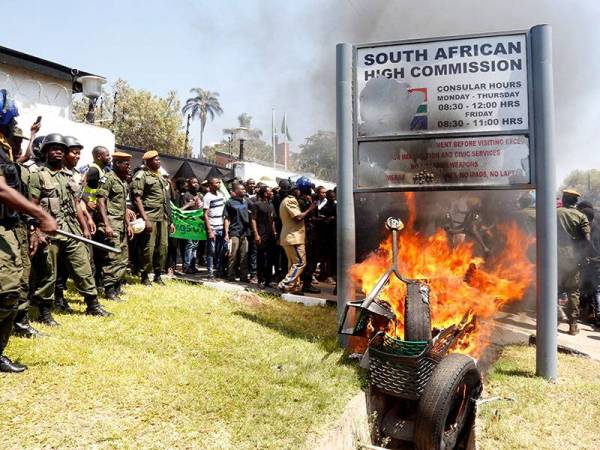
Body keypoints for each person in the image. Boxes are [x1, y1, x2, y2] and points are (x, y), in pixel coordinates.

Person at [29, 134, 112, 325]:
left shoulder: (69, 176)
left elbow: (76, 205)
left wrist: (84, 227)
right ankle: (45, 312)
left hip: (71, 229)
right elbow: (32, 205)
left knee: (83, 267)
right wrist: (35, 229)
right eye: (53, 148)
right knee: (48, 274)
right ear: (46, 152)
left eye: (61, 149)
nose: (57, 151)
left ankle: (93, 304)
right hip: (49, 232)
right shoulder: (38, 175)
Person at [0, 121, 58, 371]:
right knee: (7, 292)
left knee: (15, 290)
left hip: (12, 226)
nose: (15, 125)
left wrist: (32, 221)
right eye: (12, 121)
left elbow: (20, 159)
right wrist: (42, 215)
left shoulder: (4, 150)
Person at [54, 136, 96, 312]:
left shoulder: (75, 174)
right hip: (56, 224)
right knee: (57, 266)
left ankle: (92, 303)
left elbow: (77, 202)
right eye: (73, 152)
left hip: (73, 223)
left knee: (81, 261)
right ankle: (57, 299)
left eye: (79, 153)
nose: (77, 156)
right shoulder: (53, 172)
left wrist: (86, 222)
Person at [131, 150, 173, 286]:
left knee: (163, 247)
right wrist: (145, 219)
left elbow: (166, 199)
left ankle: (158, 274)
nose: (159, 162)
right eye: (155, 160)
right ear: (148, 162)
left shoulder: (160, 176)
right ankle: (144, 275)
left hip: (162, 217)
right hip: (150, 216)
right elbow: (137, 198)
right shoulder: (141, 175)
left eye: (159, 159)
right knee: (148, 247)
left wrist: (170, 220)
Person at [96, 152, 133, 301]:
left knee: (123, 258)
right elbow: (100, 201)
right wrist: (106, 224)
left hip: (121, 224)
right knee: (112, 257)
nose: (129, 167)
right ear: (117, 164)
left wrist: (128, 224)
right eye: (126, 164)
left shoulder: (123, 182)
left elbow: (122, 206)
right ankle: (109, 290)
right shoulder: (108, 179)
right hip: (111, 223)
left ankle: (117, 286)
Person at [557, 189, 591, 335]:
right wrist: (584, 256)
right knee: (573, 291)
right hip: (573, 258)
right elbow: (587, 239)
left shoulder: (554, 212)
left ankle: (552, 320)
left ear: (564, 199)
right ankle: (573, 325)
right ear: (575, 202)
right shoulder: (581, 216)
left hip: (554, 257)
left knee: (553, 290)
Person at [277, 179, 317, 294]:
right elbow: (298, 217)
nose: (299, 191)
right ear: (291, 191)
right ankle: (285, 283)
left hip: (291, 237)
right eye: (296, 189)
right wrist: (311, 208)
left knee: (293, 264)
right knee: (300, 262)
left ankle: (293, 287)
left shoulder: (287, 200)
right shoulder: (290, 201)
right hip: (294, 237)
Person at [224, 183, 252, 282]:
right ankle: (230, 275)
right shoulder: (229, 202)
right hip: (234, 232)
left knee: (244, 255)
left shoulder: (246, 201)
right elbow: (226, 218)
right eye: (242, 189)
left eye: (244, 189)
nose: (244, 191)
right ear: (236, 191)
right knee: (233, 255)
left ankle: (243, 277)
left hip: (244, 232)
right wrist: (226, 233)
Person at [251, 185, 277, 287]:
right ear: (266, 193)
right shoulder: (256, 205)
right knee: (261, 258)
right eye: (270, 191)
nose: (272, 193)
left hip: (270, 235)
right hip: (261, 235)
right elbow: (253, 219)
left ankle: (268, 280)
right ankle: (260, 280)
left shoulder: (271, 205)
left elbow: (273, 220)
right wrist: (256, 234)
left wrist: (274, 232)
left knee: (270, 258)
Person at [203, 177, 226, 280]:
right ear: (211, 185)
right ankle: (210, 272)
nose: (219, 184)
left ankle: (219, 270)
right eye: (217, 183)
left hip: (221, 226)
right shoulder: (207, 197)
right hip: (213, 227)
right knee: (211, 251)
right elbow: (205, 215)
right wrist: (209, 231)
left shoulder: (221, 195)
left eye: (219, 182)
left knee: (220, 250)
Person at [181, 177, 202, 273]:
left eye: (197, 183)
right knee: (189, 245)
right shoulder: (186, 195)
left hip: (197, 223)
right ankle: (186, 266)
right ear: (189, 184)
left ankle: (193, 266)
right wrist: (190, 203)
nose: (196, 184)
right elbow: (182, 210)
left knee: (195, 245)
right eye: (193, 183)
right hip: (188, 223)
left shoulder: (199, 195)